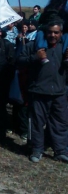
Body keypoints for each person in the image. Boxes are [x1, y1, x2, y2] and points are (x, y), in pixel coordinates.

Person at [18, 19, 68, 163]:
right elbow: (19, 61)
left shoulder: (64, 48)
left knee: (60, 123)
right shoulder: (33, 46)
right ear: (45, 33)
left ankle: (60, 151)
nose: (52, 35)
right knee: (37, 123)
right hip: (38, 91)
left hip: (59, 93)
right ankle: (37, 149)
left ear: (61, 34)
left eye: (56, 32)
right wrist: (35, 57)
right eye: (50, 32)